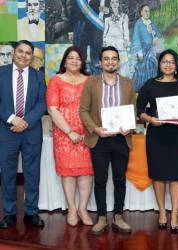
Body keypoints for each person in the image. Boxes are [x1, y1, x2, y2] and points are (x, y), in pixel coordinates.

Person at [137, 49, 178, 234]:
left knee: (176, 176)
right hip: (157, 136)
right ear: (159, 64)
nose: (168, 65)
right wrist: (150, 119)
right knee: (159, 175)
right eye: (164, 62)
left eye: (171, 62)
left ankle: (175, 214)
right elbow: (139, 110)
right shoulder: (150, 84)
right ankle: (162, 212)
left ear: (176, 65)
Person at [79, 46, 136, 235]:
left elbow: (133, 110)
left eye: (114, 59)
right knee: (101, 180)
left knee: (120, 180)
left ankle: (118, 217)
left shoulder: (128, 83)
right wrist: (95, 129)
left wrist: (130, 125)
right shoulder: (91, 83)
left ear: (118, 62)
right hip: (99, 139)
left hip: (121, 139)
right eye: (106, 59)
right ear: (100, 62)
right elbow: (83, 111)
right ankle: (102, 217)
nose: (110, 62)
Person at [0, 40, 46, 229]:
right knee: (8, 174)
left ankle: (31, 212)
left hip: (31, 132)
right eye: (21, 51)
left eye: (28, 53)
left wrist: (25, 121)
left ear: (32, 57)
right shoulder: (1, 74)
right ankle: (9, 213)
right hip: (7, 131)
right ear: (14, 53)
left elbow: (42, 103)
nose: (24, 55)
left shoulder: (38, 76)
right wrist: (12, 119)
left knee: (32, 173)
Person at [46, 46, 94, 227]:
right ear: (64, 61)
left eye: (78, 58)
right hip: (64, 134)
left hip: (87, 133)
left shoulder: (90, 80)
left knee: (86, 171)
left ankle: (83, 208)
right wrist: (69, 131)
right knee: (68, 172)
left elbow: (95, 107)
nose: (74, 61)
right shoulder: (55, 81)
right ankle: (72, 208)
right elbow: (52, 109)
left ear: (82, 62)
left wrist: (89, 128)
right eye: (71, 58)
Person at [131, 4, 164, 92]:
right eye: (145, 11)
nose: (147, 13)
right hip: (144, 52)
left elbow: (158, 34)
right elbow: (136, 39)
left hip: (153, 52)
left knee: (154, 70)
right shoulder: (138, 23)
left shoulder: (151, 23)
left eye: (148, 11)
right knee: (143, 71)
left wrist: (156, 38)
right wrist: (139, 52)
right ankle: (142, 91)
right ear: (141, 12)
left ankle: (152, 89)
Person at [103, 0, 130, 77]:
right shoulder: (107, 19)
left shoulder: (124, 17)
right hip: (110, 43)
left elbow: (126, 31)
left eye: (116, 2)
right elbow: (105, 33)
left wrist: (126, 40)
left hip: (120, 43)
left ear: (119, 4)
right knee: (111, 66)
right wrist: (105, 43)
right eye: (112, 2)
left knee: (123, 66)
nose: (114, 4)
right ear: (110, 5)